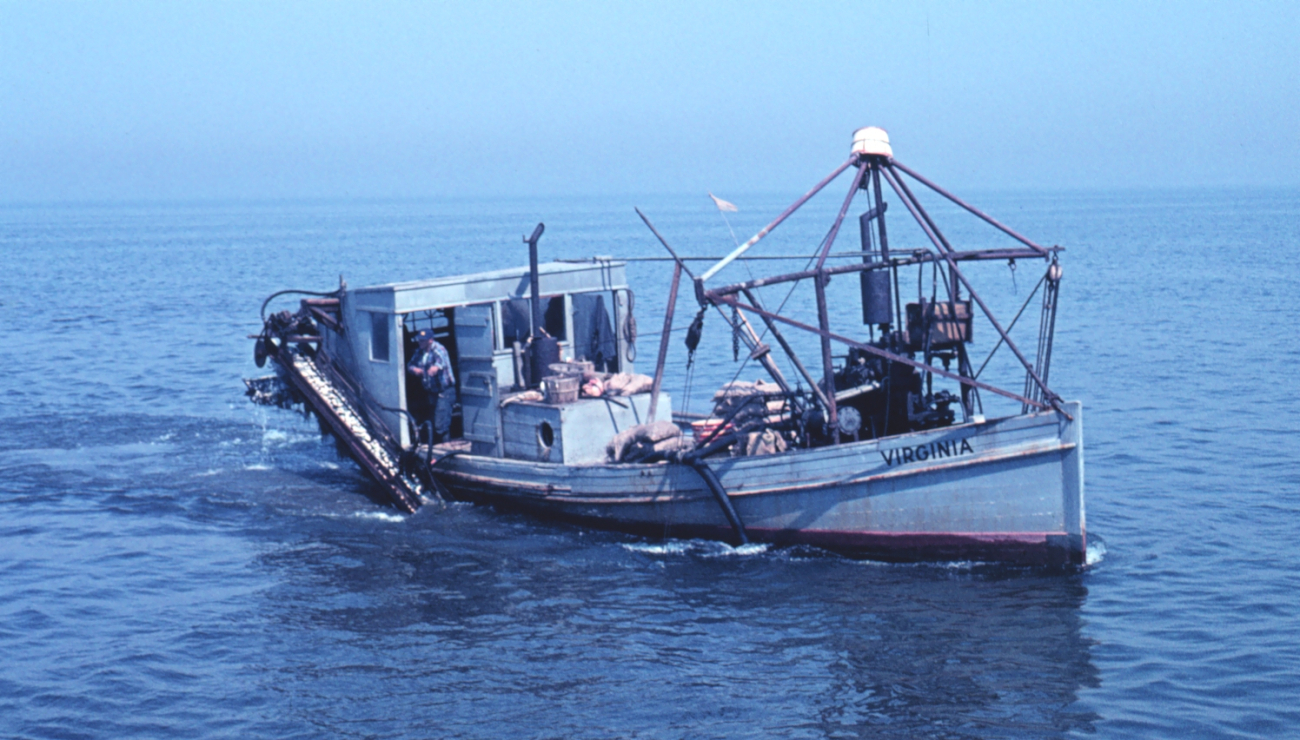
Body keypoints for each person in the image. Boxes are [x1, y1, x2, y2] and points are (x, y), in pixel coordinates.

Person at [407, 329, 456, 443]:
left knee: (441, 424)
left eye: (423, 340)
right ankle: (438, 446)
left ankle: (446, 447)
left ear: (430, 340)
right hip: (432, 392)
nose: (420, 342)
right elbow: (410, 364)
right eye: (419, 340)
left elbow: (441, 362)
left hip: (445, 392)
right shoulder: (420, 351)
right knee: (434, 422)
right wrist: (415, 370)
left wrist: (435, 368)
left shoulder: (439, 350)